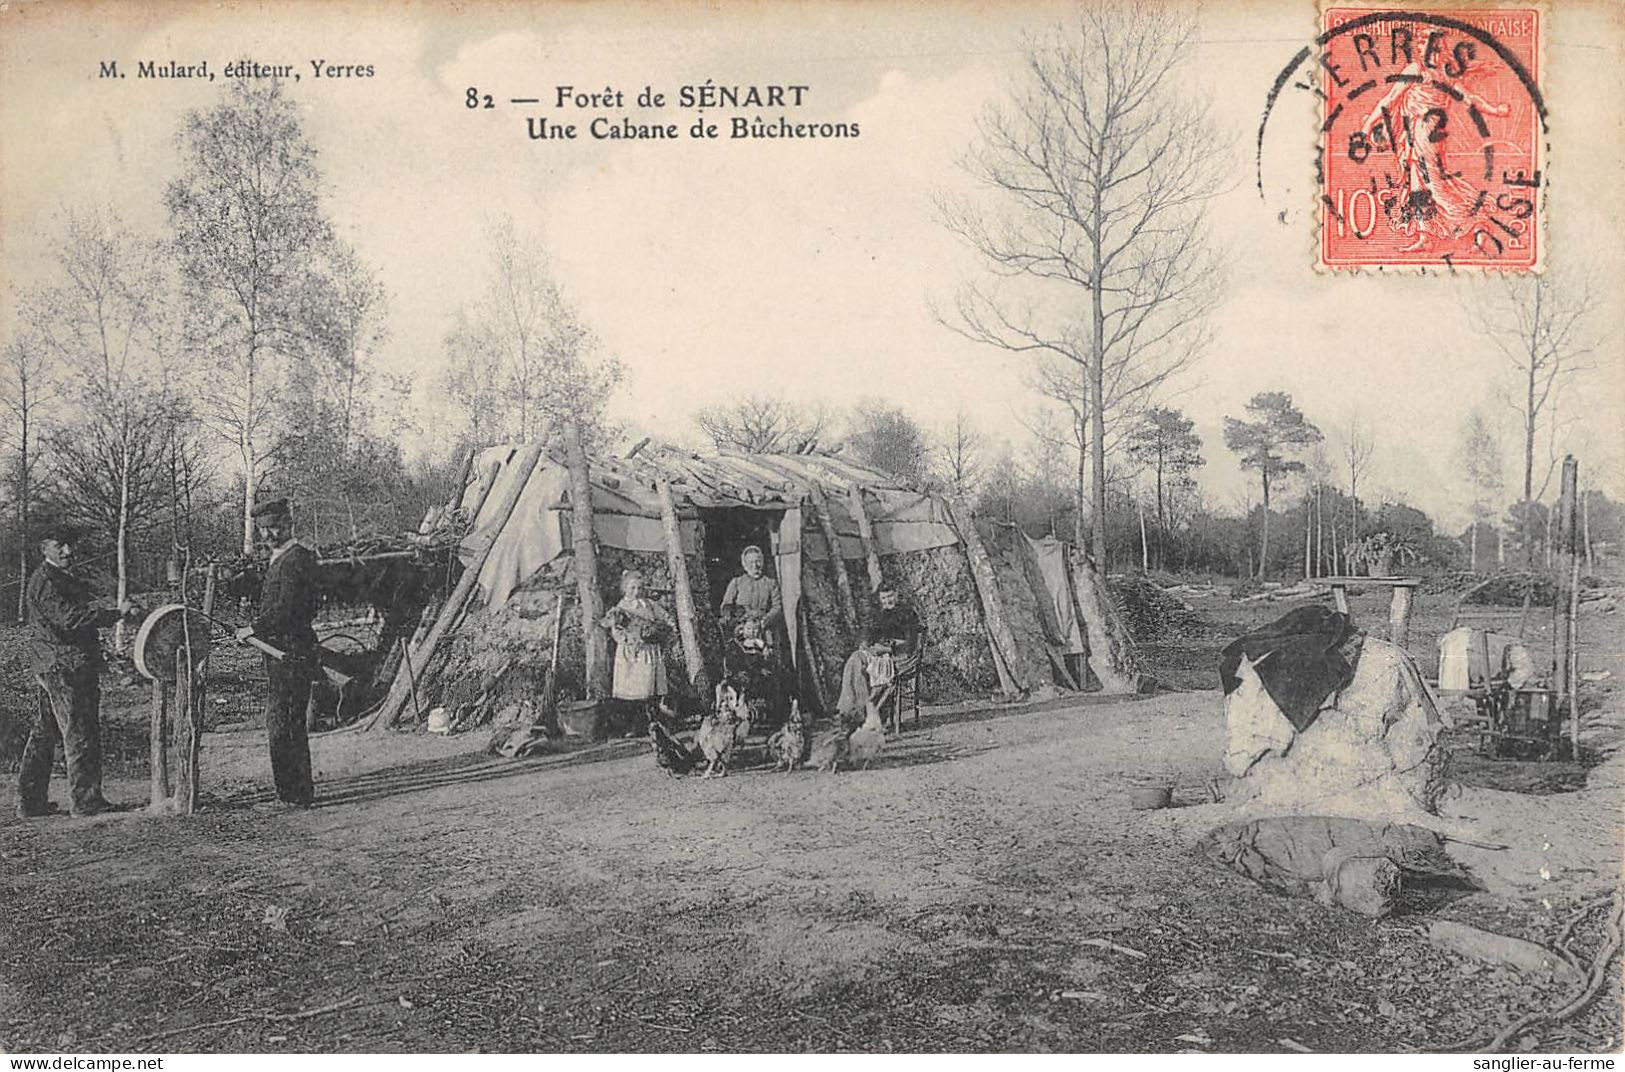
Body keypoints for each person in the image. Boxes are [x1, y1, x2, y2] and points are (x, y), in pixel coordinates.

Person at [17, 523, 135, 818]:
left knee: (46, 733)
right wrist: (117, 613)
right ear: (44, 548)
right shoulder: (47, 581)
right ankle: (85, 802)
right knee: (80, 731)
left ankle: (30, 803)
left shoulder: (59, 577)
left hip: (58, 663)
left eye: (70, 544)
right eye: (60, 545)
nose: (68, 551)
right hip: (63, 667)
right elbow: (71, 620)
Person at [236, 499, 319, 807]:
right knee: (284, 720)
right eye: (262, 530)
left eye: (273, 527)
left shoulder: (297, 559)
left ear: (288, 524)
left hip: (292, 651)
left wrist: (253, 628)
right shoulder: (280, 559)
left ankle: (294, 796)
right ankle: (294, 793)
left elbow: (288, 608)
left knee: (283, 721)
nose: (268, 535)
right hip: (282, 650)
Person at [600, 569, 673, 736]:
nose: (636, 592)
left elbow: (665, 618)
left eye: (639, 588)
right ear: (625, 588)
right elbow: (616, 630)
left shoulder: (648, 604)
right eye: (632, 588)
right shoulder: (621, 607)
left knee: (649, 687)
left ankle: (654, 722)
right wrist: (629, 639)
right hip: (631, 654)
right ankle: (634, 725)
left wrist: (660, 631)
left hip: (648, 651)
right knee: (632, 689)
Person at [835, 637, 898, 734]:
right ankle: (851, 711)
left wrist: (881, 648)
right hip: (872, 655)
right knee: (854, 665)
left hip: (885, 657)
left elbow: (897, 647)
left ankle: (854, 713)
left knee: (856, 664)